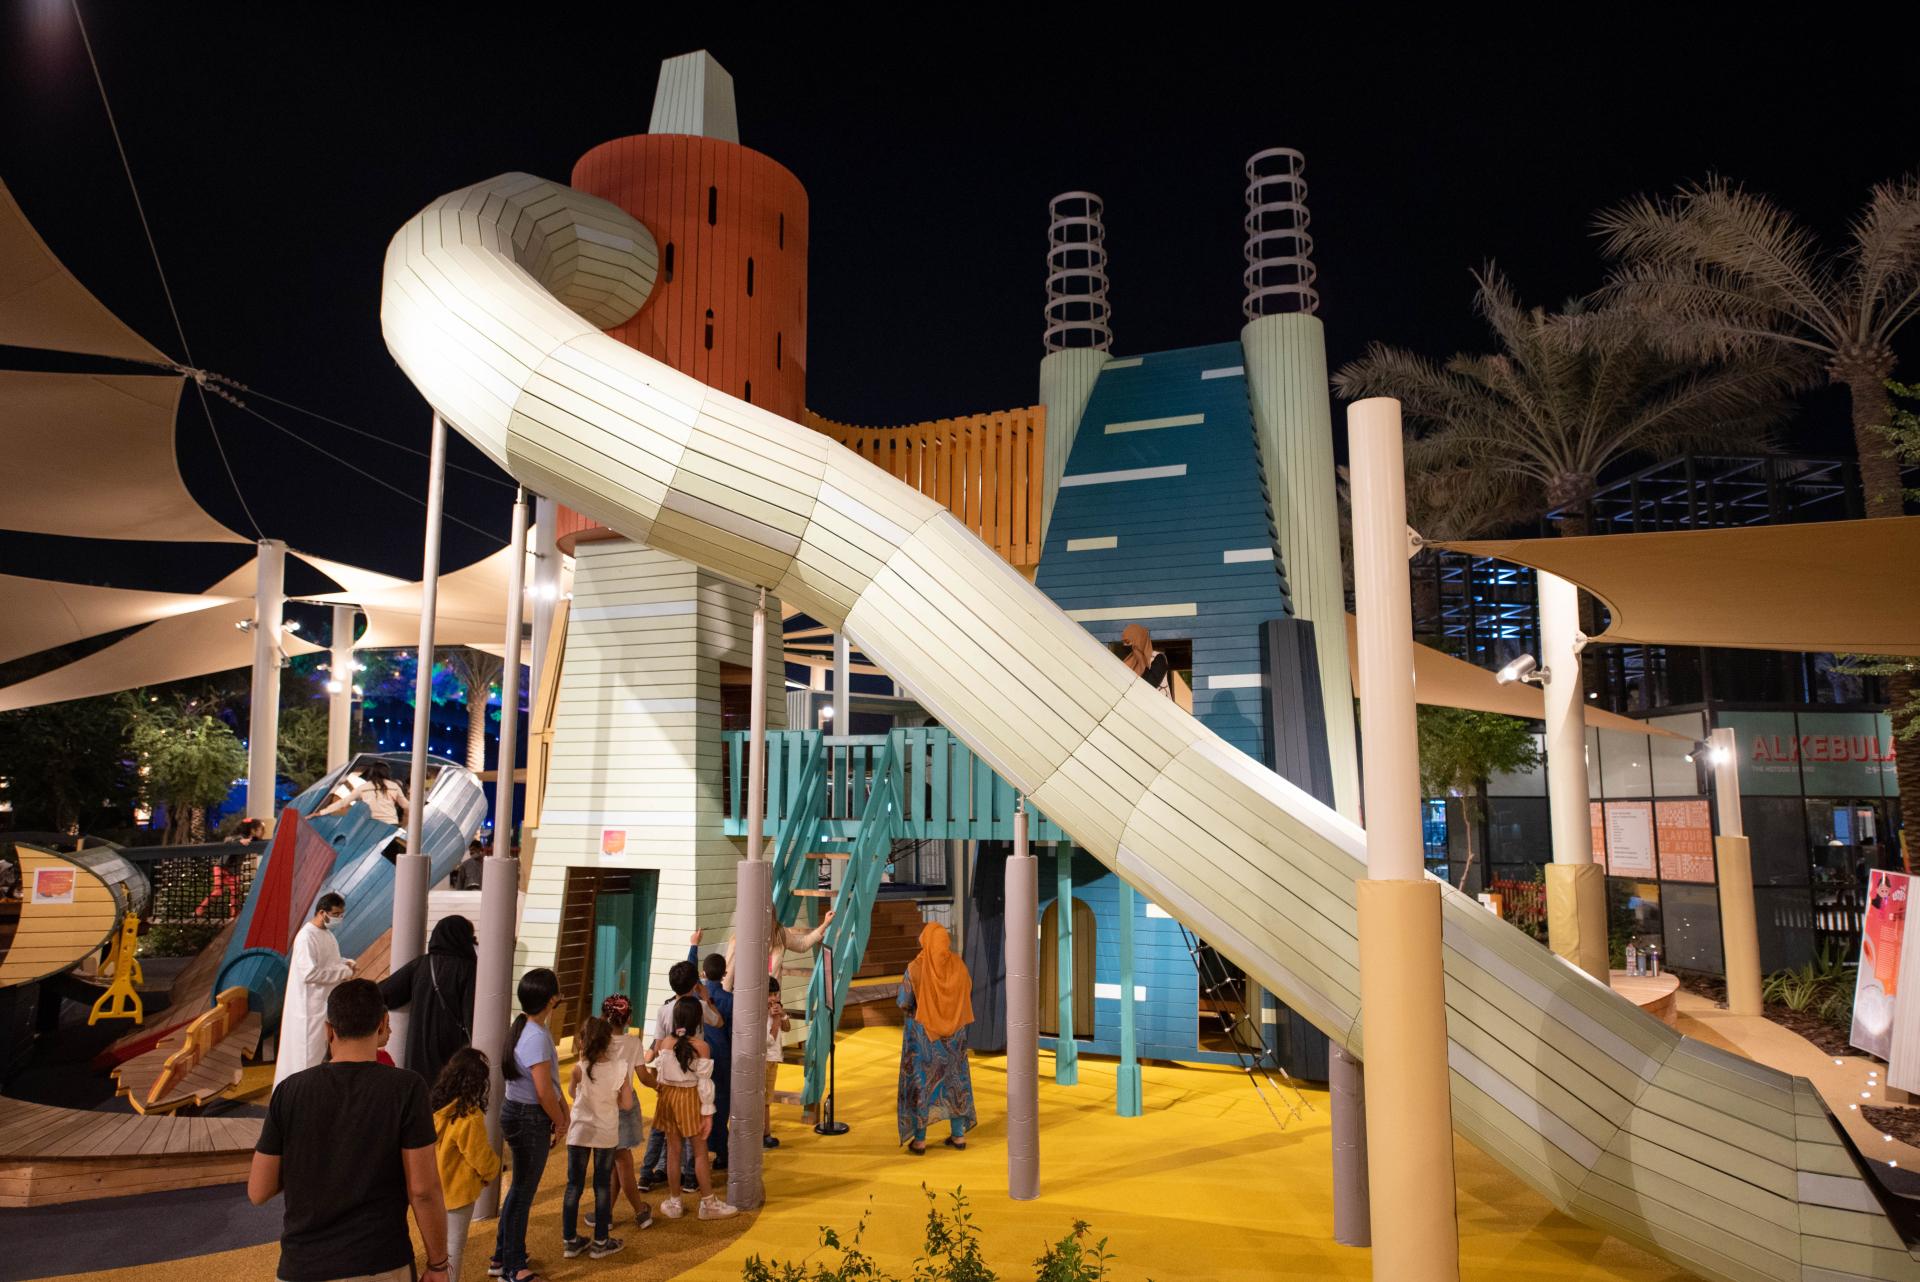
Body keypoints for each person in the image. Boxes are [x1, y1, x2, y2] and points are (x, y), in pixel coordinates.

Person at [248, 978, 448, 1282]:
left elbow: (258, 1191)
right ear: (383, 1024)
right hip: (379, 1261)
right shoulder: (406, 1089)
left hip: (302, 1266)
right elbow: (423, 1190)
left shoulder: (290, 1091)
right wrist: (437, 1264)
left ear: (329, 1030)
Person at [490, 969, 571, 1282]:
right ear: (552, 999)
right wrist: (560, 1120)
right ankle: (512, 1267)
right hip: (528, 1117)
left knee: (518, 1191)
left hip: (519, 1112)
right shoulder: (535, 1034)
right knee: (522, 1194)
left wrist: (561, 1108)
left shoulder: (526, 1026)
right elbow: (542, 1090)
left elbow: (547, 1085)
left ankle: (502, 1257)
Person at [647, 996, 737, 1220]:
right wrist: (708, 1114)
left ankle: (675, 1201)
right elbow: (705, 1084)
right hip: (691, 1098)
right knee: (699, 1152)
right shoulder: (702, 1047)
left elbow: (660, 1074)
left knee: (673, 1151)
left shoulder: (664, 1044)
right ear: (698, 1020)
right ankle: (707, 1203)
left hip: (668, 1098)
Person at [896, 922, 977, 1153]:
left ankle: (920, 1141)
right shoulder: (959, 966)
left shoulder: (915, 968)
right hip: (955, 1038)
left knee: (922, 1085)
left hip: (924, 1039)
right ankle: (958, 1136)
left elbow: (903, 1001)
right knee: (954, 1082)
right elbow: (967, 990)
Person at [639, 959, 719, 1190]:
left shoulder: (664, 1010)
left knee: (664, 1135)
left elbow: (657, 1044)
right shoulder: (700, 1009)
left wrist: (652, 1069)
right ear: (695, 983)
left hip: (668, 1084)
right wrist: (706, 998)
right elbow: (719, 1021)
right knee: (695, 1140)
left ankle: (649, 1174)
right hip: (692, 1084)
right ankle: (692, 1180)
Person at [561, 1016, 632, 1259]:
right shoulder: (619, 1068)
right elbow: (626, 1103)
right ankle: (601, 1241)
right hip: (605, 1134)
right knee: (602, 1186)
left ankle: (570, 1240)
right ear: (608, 1041)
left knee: (574, 1186)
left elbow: (571, 1093)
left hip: (579, 1132)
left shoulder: (579, 1068)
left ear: (583, 1040)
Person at [379, 914, 477, 1084]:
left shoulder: (421, 964)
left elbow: (383, 992)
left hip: (418, 1051)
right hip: (452, 1050)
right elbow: (471, 1015)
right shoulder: (468, 969)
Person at [431, 1047, 500, 1282]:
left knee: (435, 1250)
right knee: (453, 1249)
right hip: (457, 1194)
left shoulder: (436, 1109)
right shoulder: (469, 1117)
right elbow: (480, 1157)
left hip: (433, 1191)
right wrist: (491, 1172)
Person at [274, 892, 357, 1089]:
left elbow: (331, 962)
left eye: (341, 914)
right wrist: (343, 973)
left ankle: (311, 1093)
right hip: (308, 1009)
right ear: (322, 912)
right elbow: (309, 973)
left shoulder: (327, 935)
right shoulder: (305, 937)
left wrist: (346, 963)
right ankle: (299, 1095)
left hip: (323, 1004)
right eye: (336, 914)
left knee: (319, 1053)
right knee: (306, 1056)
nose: (339, 919)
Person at [597, 995, 655, 1232]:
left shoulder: (597, 1041)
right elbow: (643, 1076)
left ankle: (606, 1214)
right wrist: (659, 1085)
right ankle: (640, 1212)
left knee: (613, 1164)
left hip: (602, 1107)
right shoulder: (632, 1043)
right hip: (625, 1105)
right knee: (624, 1163)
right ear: (628, 1017)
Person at [687, 928, 733, 1171]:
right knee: (722, 1104)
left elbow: (686, 975)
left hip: (698, 1057)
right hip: (723, 1058)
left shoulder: (695, 996)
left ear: (704, 973)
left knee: (700, 1104)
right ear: (725, 974)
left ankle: (697, 1155)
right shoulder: (730, 1000)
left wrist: (694, 946)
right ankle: (722, 1153)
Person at [722, 906, 834, 992]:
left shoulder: (780, 933)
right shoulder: (739, 940)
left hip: (773, 1002)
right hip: (748, 1003)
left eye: (770, 918)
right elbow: (727, 977)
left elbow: (802, 945)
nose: (765, 923)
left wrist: (825, 924)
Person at [313, 759, 411, 830]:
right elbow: (406, 806)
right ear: (387, 773)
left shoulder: (364, 787)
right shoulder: (393, 786)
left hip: (370, 825)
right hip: (390, 825)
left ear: (371, 773)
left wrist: (320, 812)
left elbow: (343, 803)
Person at [763, 975, 790, 1148]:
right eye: (769, 994)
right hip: (764, 1060)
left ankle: (765, 1134)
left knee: (767, 1099)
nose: (773, 998)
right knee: (763, 1100)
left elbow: (787, 1028)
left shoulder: (777, 1009)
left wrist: (783, 1015)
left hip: (773, 1059)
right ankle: (764, 1135)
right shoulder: (760, 1013)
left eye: (775, 994)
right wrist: (776, 1020)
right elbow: (768, 1041)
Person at [1120, 623, 1174, 699]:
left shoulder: (1158, 658)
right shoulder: (1127, 662)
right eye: (1123, 643)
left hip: (1158, 708)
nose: (1125, 645)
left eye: (1128, 642)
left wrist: (1141, 659)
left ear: (1139, 640)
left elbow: (1150, 684)